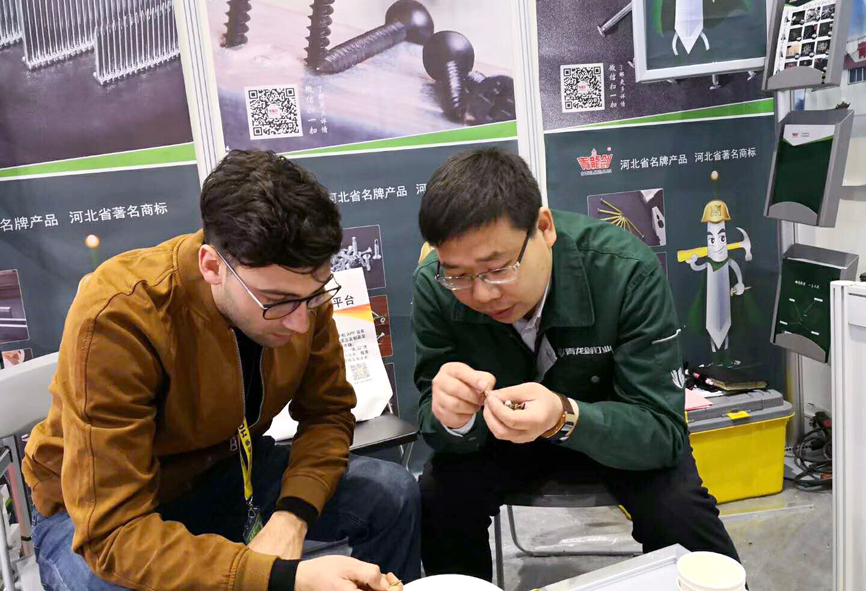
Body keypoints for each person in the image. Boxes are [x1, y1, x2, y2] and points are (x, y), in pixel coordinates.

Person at [23, 150, 421, 591]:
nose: (300, 323)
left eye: (313, 297)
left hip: (229, 471)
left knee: (392, 493)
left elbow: (327, 414)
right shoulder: (121, 314)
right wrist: (278, 577)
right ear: (212, 266)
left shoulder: (300, 292)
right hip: (95, 508)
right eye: (277, 302)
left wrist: (292, 516)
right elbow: (113, 533)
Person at [412, 148, 741, 580]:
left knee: (680, 509)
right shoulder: (435, 287)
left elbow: (662, 432)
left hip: (612, 436)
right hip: (495, 443)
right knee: (438, 496)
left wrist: (564, 417)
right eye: (459, 275)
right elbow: (430, 417)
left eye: (498, 268)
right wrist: (452, 418)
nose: (483, 293)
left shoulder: (625, 272)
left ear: (543, 228)